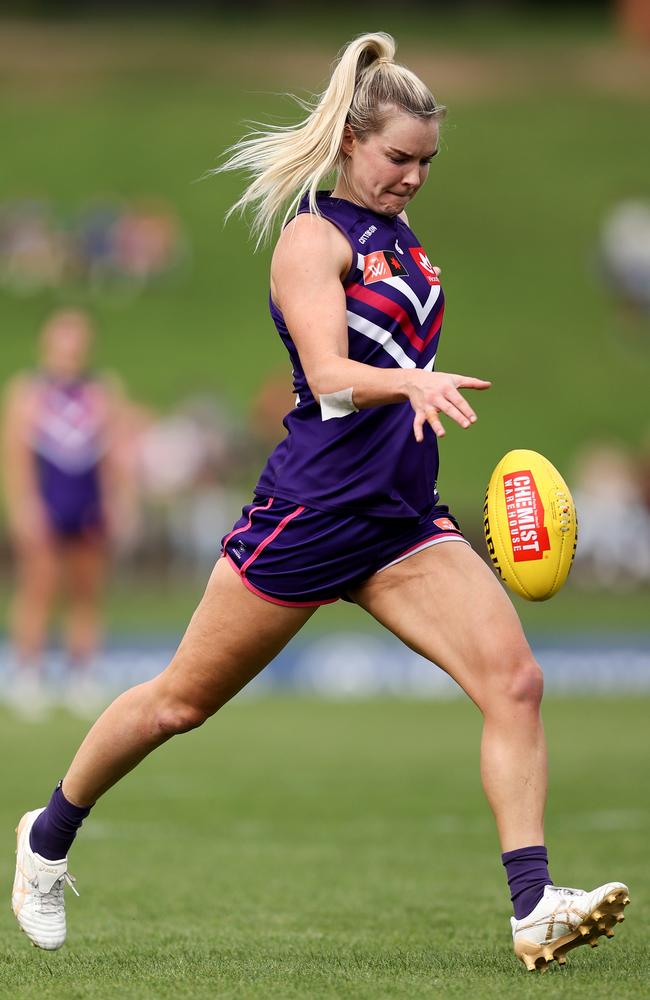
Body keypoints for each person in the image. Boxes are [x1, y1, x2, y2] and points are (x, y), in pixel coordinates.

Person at [11, 33, 630, 970]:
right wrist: (412, 385)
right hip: (313, 514)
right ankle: (45, 840)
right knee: (178, 703)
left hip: (401, 523)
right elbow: (331, 374)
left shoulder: (406, 244)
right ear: (351, 141)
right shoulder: (313, 238)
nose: (414, 177)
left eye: (426, 162)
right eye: (398, 159)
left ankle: (533, 904)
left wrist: (413, 396)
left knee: (516, 684)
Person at [2, 308, 134, 717]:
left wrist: (118, 502)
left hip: (87, 501)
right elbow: (15, 456)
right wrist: (23, 505)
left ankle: (83, 675)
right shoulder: (27, 391)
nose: (70, 348)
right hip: (47, 499)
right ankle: (27, 675)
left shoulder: (103, 390)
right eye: (63, 338)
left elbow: (116, 453)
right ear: (47, 343)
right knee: (38, 589)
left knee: (86, 591)